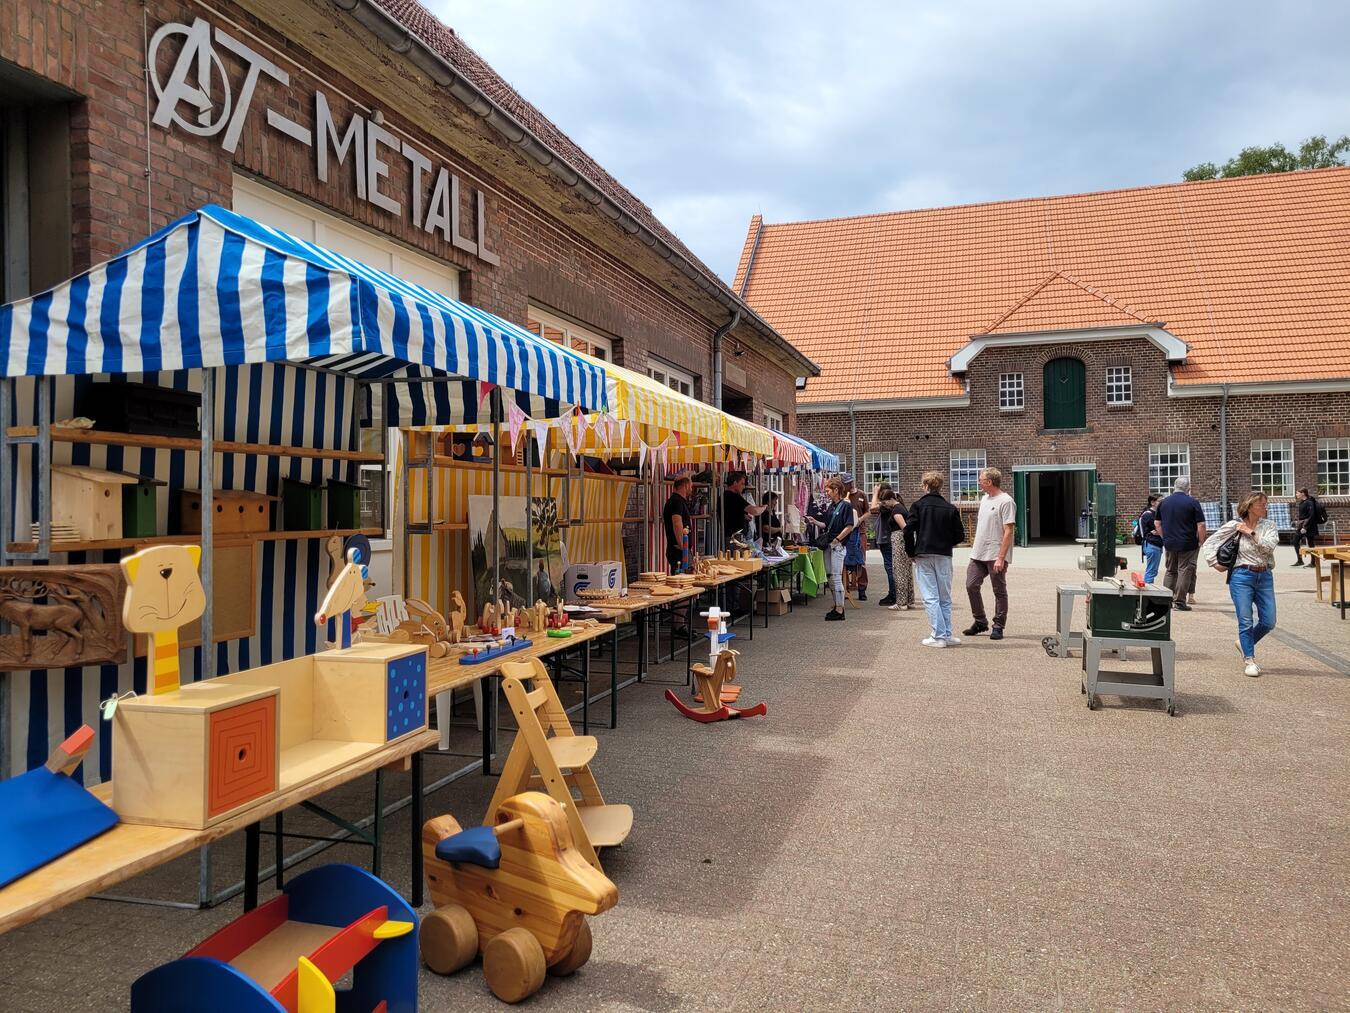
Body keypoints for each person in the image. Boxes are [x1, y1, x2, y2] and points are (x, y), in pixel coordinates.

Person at [1202, 490, 1278, 677]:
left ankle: (1244, 642)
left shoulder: (1269, 526)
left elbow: (1269, 546)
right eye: (1261, 504)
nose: (1265, 507)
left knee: (1269, 621)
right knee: (1245, 620)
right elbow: (1209, 543)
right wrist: (1215, 563)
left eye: (1265, 504)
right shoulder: (1234, 525)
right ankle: (1249, 660)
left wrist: (1250, 532)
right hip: (1241, 576)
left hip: (1264, 575)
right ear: (1250, 506)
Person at [905, 471, 966, 647]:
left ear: (925, 486)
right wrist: (947, 543)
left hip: (923, 553)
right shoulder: (950, 508)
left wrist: (911, 551)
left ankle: (938, 636)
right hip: (944, 554)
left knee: (930, 596)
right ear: (940, 486)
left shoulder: (917, 506)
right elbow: (960, 535)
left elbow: (908, 530)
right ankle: (946, 634)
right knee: (944, 597)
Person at [963, 468, 1015, 640]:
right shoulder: (985, 499)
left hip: (995, 554)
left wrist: (1001, 557)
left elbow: (1008, 531)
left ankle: (998, 625)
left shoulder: (1006, 501)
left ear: (989, 482)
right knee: (971, 585)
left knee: (999, 590)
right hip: (978, 552)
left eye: (981, 479)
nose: (979, 482)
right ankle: (980, 622)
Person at [1156, 476, 1207, 611]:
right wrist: (1201, 541)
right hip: (1188, 543)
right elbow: (1201, 524)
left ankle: (1165, 600)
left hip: (1170, 542)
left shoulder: (1163, 502)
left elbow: (1157, 523)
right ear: (1188, 488)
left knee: (1170, 570)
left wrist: (1164, 537)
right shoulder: (1192, 502)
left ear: (1174, 486)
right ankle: (1179, 602)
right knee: (1184, 570)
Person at [820, 477, 856, 621]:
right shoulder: (831, 507)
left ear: (836, 490)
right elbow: (826, 525)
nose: (827, 493)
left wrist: (838, 539)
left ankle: (840, 609)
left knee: (835, 575)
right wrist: (813, 521)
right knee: (829, 575)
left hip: (838, 545)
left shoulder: (846, 506)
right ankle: (836, 605)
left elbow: (849, 526)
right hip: (829, 544)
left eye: (828, 490)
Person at [870, 483, 902, 606]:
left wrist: (875, 494)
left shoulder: (886, 506)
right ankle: (893, 593)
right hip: (885, 540)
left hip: (886, 540)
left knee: (890, 568)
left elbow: (872, 508)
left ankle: (893, 595)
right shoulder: (888, 506)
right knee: (890, 567)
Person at [882, 488, 914, 610]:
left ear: (891, 499)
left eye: (885, 502)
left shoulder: (896, 511)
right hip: (903, 540)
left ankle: (901, 603)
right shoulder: (901, 507)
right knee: (906, 571)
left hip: (899, 540)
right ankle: (908, 600)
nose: (884, 505)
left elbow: (904, 528)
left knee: (899, 571)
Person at [721, 471, 765, 542]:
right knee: (738, 553)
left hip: (730, 536)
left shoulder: (723, 496)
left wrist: (743, 516)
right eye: (742, 484)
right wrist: (764, 507)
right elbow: (755, 511)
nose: (744, 487)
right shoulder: (735, 497)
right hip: (736, 538)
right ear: (735, 483)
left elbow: (730, 513)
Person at [662, 475, 693, 573]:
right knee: (683, 580)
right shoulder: (677, 501)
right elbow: (677, 522)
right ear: (686, 486)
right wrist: (683, 546)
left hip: (678, 549)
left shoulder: (675, 501)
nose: (691, 489)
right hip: (679, 551)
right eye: (691, 486)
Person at [844, 490, 869, 601]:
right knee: (843, 562)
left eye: (851, 482)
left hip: (860, 531)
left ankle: (862, 589)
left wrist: (860, 519)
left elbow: (868, 512)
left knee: (861, 561)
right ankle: (845, 589)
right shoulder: (841, 494)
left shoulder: (861, 495)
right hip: (845, 533)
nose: (850, 485)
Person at [1139, 494, 1164, 585]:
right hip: (1152, 545)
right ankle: (1147, 594)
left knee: (1152, 570)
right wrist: (1160, 531)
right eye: (1160, 501)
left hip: (1155, 545)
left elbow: (1159, 530)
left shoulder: (1157, 513)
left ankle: (1148, 592)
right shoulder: (1148, 515)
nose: (1162, 503)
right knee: (1151, 571)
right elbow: (1158, 529)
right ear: (1152, 502)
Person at [1292, 487, 1320, 566]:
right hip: (1302, 526)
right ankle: (1300, 560)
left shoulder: (1309, 502)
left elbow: (1311, 516)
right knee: (1295, 541)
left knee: (1311, 543)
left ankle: (1313, 562)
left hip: (1309, 526)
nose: (1296, 494)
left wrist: (1305, 527)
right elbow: (1303, 515)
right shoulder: (1302, 502)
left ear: (1303, 493)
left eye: (1297, 493)